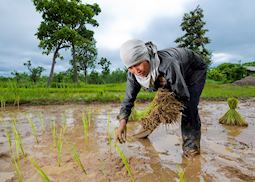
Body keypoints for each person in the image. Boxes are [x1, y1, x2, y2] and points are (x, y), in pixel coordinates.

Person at [116, 39, 207, 157]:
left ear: (147, 57)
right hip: (171, 74)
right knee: (160, 102)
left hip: (193, 70)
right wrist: (122, 123)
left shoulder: (167, 64)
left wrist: (170, 111)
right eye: (130, 67)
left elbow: (182, 95)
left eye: (138, 64)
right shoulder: (133, 75)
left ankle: (191, 148)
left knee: (188, 107)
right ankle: (145, 130)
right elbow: (128, 99)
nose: (136, 70)